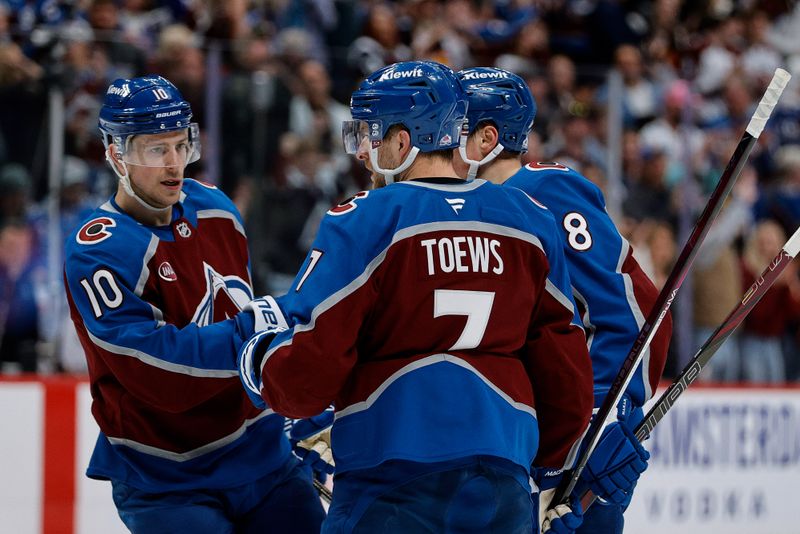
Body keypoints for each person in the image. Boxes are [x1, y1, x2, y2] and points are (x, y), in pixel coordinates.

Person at [237, 60, 595, 533]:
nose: (362, 152)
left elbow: (312, 368)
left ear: (402, 142)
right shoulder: (527, 217)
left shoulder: (367, 218)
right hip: (503, 470)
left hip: (391, 473)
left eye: (369, 135)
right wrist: (545, 467)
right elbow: (564, 366)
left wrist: (263, 362)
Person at [63, 76, 325, 533]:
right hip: (166, 478)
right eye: (154, 149)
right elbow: (162, 374)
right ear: (114, 153)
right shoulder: (98, 251)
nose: (174, 164)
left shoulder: (216, 208)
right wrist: (260, 327)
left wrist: (289, 406)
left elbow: (245, 320)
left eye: (182, 145)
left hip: (261, 456)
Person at [455, 67, 673, 533]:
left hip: (573, 454)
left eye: (453, 128)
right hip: (509, 447)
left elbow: (632, 310)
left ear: (487, 139)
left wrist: (599, 418)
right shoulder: (456, 208)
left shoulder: (546, 192)